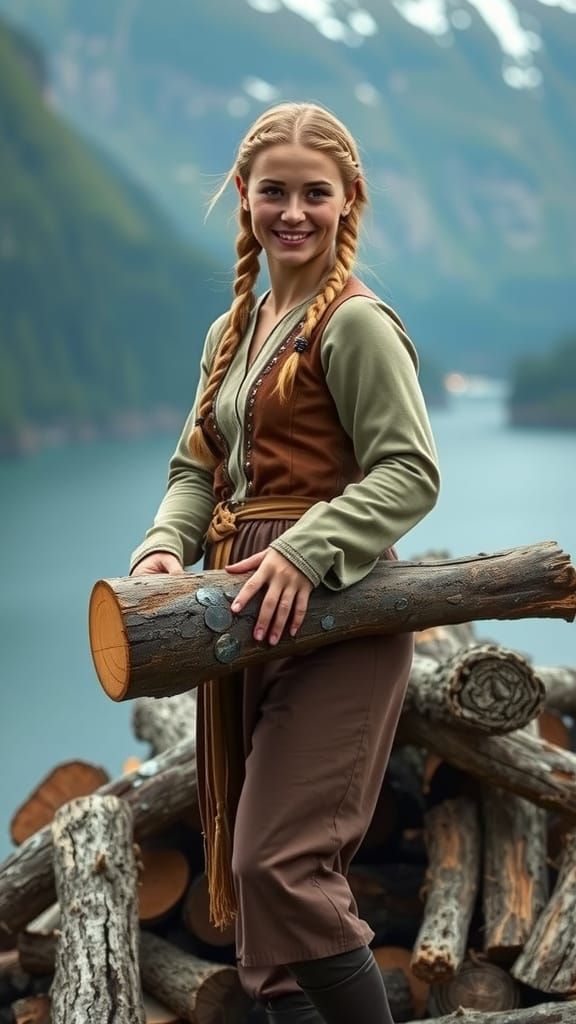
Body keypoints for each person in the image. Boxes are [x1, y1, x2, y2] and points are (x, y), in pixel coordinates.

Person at [129, 102, 440, 1024]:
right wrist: (161, 548)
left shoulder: (357, 325)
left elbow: (410, 471)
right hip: (240, 609)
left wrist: (305, 552)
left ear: (350, 202)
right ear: (244, 195)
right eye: (275, 191)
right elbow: (197, 469)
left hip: (339, 613)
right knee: (249, 879)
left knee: (281, 863)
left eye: (315, 193)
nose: (292, 211)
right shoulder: (234, 330)